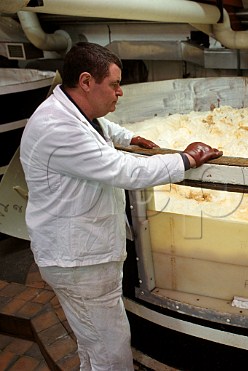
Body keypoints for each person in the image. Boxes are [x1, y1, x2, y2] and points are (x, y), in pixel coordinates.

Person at [19, 41, 222, 370]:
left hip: (79, 257)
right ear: (86, 82)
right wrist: (184, 160)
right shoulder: (59, 129)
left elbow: (99, 127)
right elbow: (124, 170)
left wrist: (129, 138)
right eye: (114, 85)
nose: (120, 93)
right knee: (110, 352)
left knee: (93, 343)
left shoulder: (66, 107)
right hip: (79, 263)